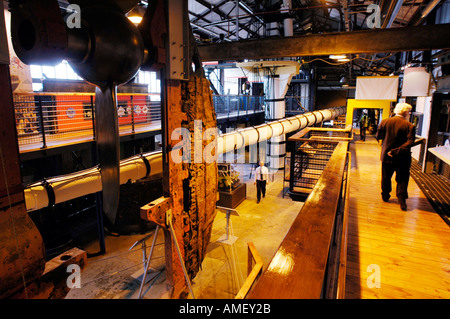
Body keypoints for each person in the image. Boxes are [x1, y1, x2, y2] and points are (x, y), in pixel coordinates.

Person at [376, 103, 415, 211]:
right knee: (402, 179)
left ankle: (385, 195)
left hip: (386, 156)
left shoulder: (384, 122)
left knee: (386, 177)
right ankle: (402, 201)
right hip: (402, 158)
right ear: (406, 112)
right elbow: (410, 142)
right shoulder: (410, 126)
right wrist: (396, 151)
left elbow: (378, 136)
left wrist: (388, 147)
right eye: (409, 112)